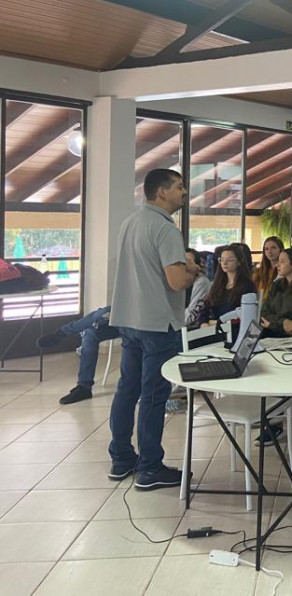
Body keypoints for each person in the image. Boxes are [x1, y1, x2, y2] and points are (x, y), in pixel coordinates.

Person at [107, 168, 199, 489]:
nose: (184, 192)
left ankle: (121, 458)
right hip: (158, 323)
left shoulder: (130, 223)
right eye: (179, 187)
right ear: (161, 192)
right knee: (153, 396)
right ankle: (149, 467)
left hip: (129, 318)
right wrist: (192, 273)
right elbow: (175, 282)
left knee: (126, 390)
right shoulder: (165, 229)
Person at [39, 305, 119, 405]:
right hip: (121, 320)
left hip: (139, 325)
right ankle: (84, 387)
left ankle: (61, 332)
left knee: (106, 311)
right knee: (90, 333)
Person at [192, 244, 256, 326]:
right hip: (215, 327)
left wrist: (221, 322)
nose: (224, 263)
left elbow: (246, 313)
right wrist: (203, 322)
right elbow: (206, 307)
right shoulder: (218, 284)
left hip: (235, 328)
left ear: (239, 262)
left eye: (229, 260)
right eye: (222, 260)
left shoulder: (248, 285)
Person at [184, 249, 212, 327]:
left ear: (197, 265)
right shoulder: (176, 281)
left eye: (189, 261)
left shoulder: (202, 282)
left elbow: (193, 313)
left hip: (191, 329)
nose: (185, 264)